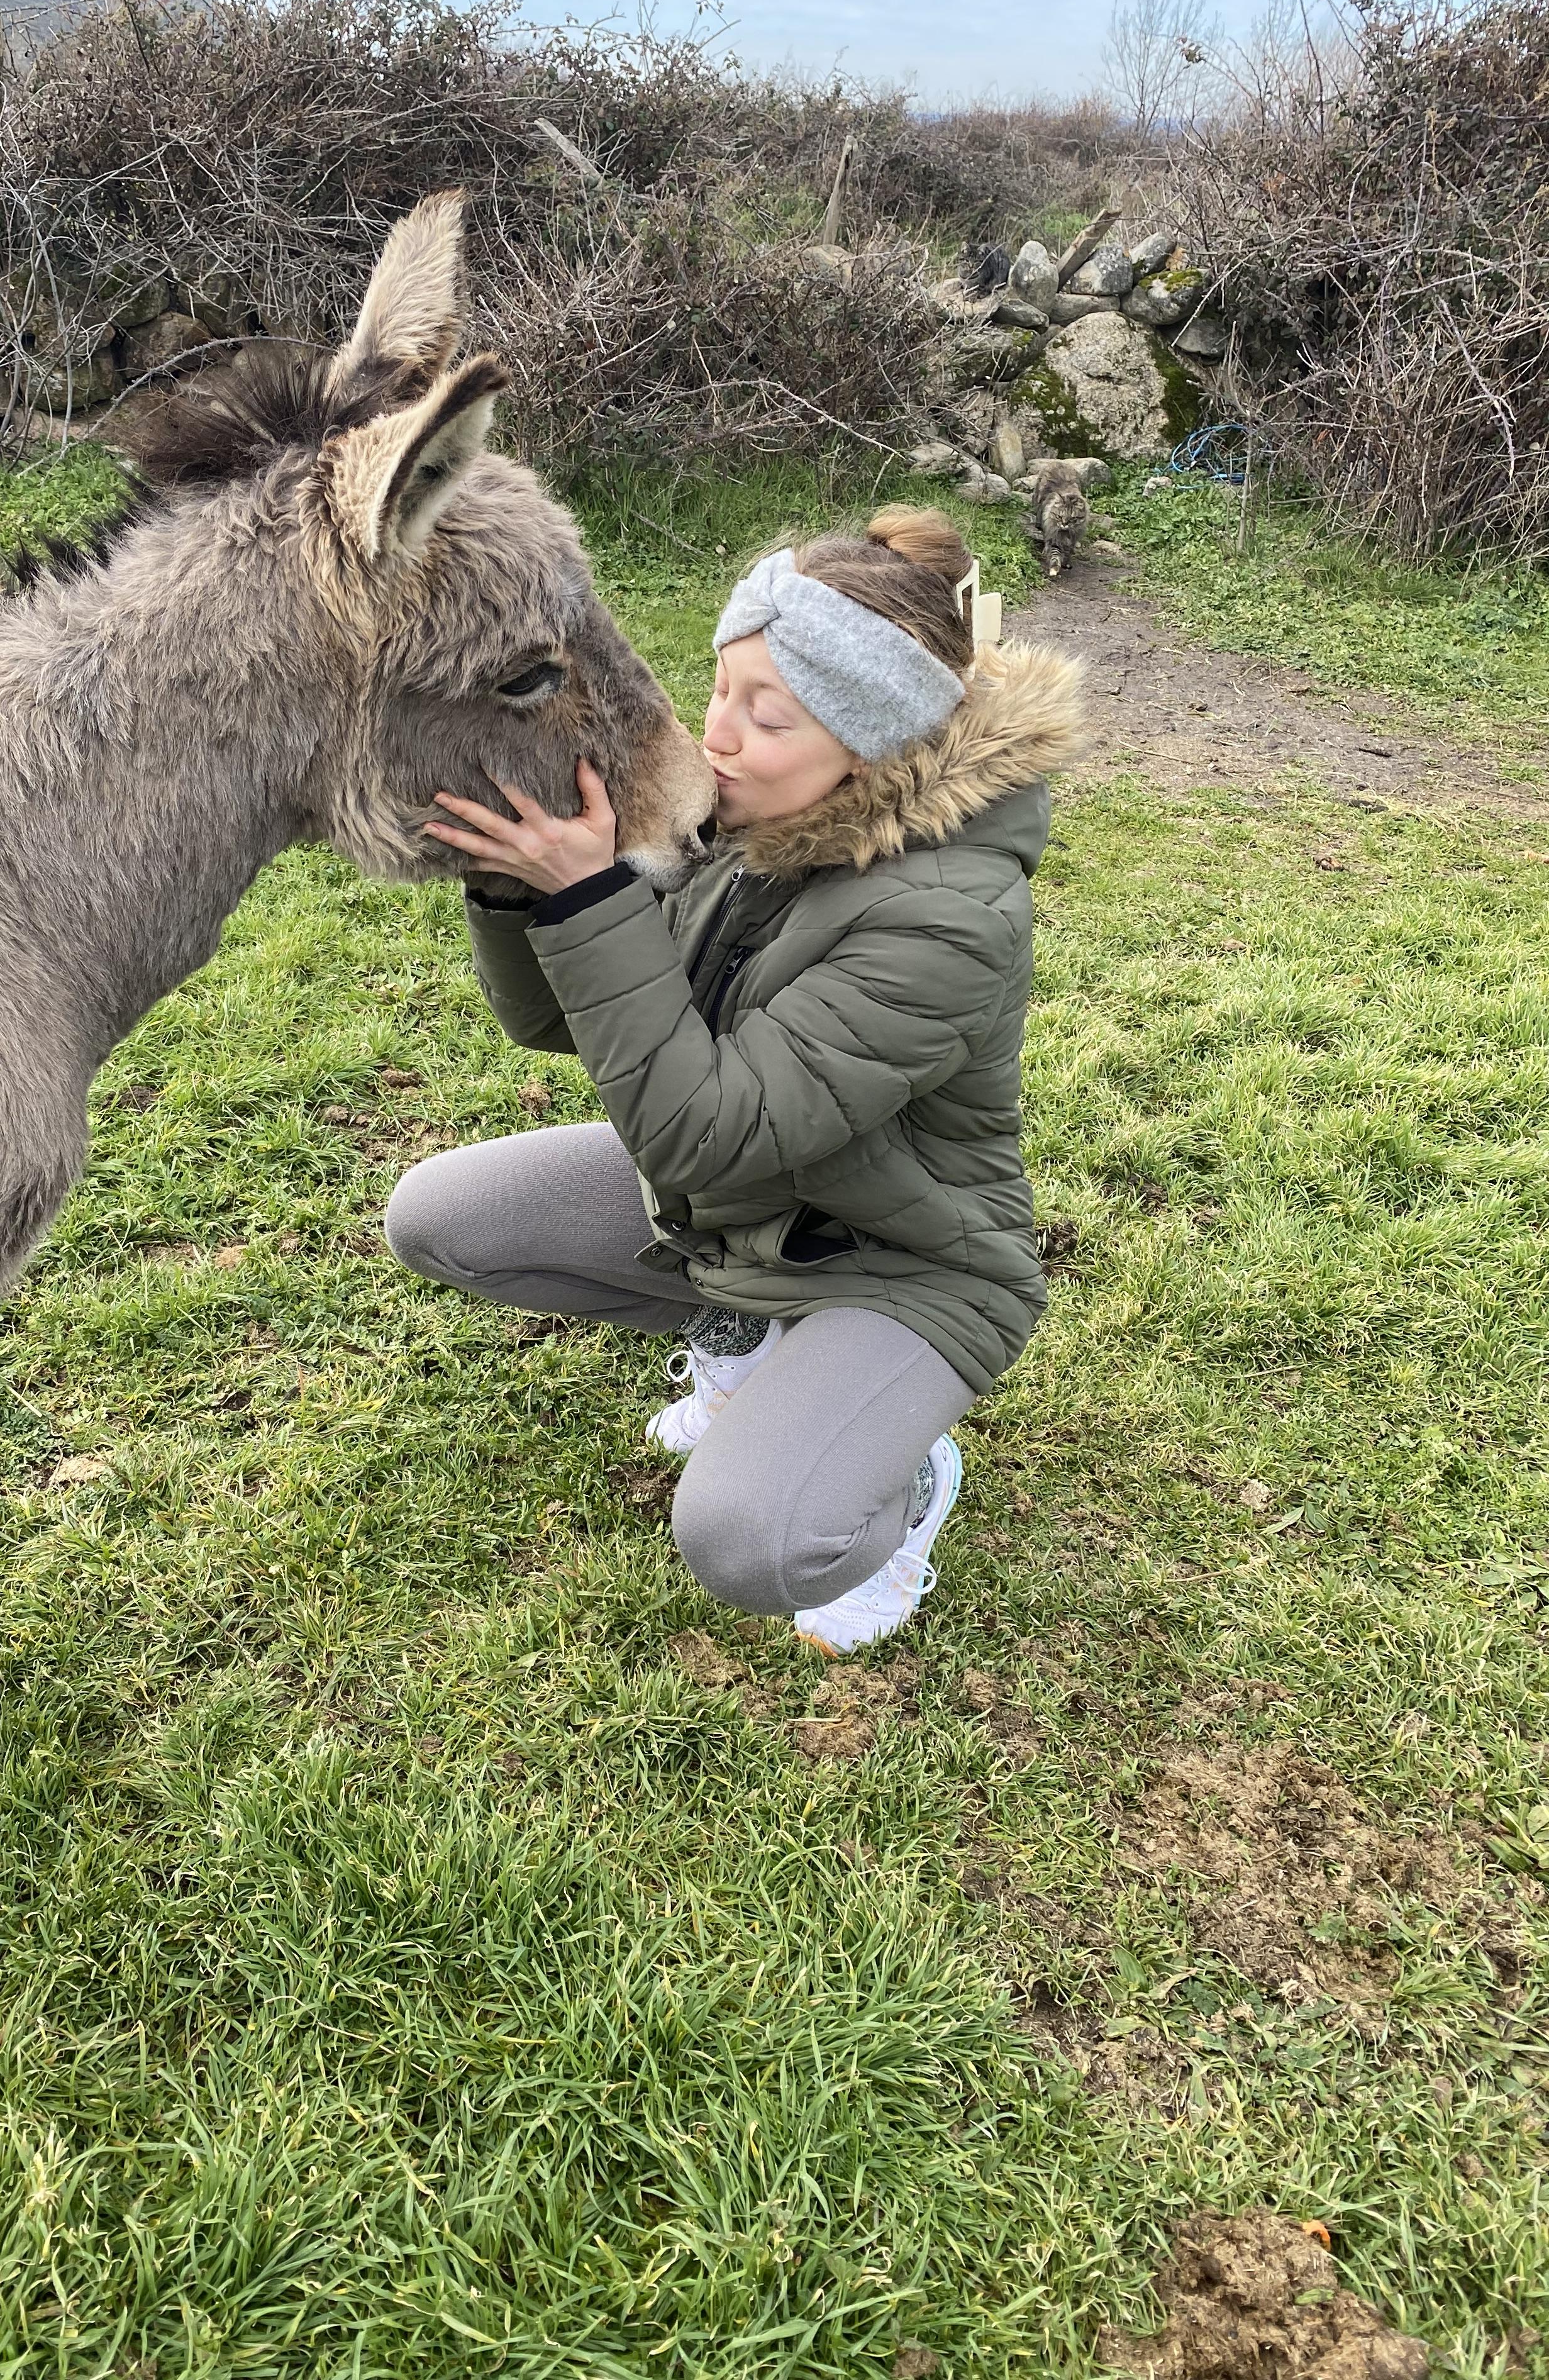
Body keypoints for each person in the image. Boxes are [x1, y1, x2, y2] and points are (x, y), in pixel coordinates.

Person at [386, 506, 1084, 1654]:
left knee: (754, 1542)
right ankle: (747, 1339)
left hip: (903, 1266)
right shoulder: (758, 823)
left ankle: (905, 1489)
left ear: (870, 744)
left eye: (768, 717)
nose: (716, 735)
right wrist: (518, 884)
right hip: (744, 1215)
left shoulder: (951, 916)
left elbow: (707, 1128)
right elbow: (552, 1022)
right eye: (719, 690)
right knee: (444, 1223)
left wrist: (585, 901)